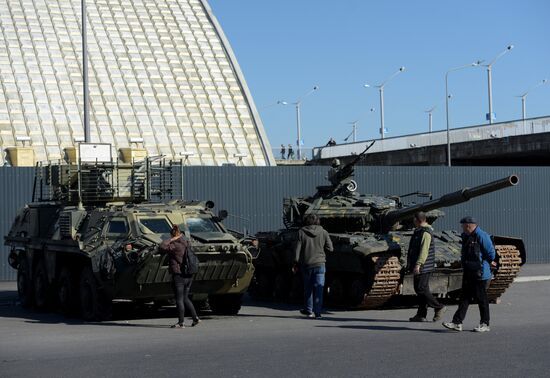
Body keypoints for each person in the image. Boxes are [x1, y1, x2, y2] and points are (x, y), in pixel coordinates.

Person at [443, 216, 496, 332]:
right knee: (464, 298)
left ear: (468, 225)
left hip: (480, 273)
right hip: (469, 271)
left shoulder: (481, 236)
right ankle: (457, 322)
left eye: (463, 226)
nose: (462, 228)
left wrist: (485, 263)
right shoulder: (467, 236)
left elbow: (491, 253)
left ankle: (485, 323)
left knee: (481, 299)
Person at [407, 212, 446, 322]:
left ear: (417, 220)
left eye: (414, 219)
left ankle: (439, 307)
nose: (413, 221)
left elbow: (424, 250)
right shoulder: (419, 231)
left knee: (421, 288)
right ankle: (421, 314)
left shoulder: (425, 232)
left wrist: (418, 264)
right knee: (420, 289)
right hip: (420, 265)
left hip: (423, 266)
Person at [293, 214, 333, 318]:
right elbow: (330, 248)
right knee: (319, 288)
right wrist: (321, 253)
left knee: (308, 288)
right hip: (320, 264)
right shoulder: (324, 232)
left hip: (307, 264)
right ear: (318, 221)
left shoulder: (301, 232)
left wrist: (295, 262)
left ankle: (308, 310)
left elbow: (297, 250)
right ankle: (318, 312)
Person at [160, 225, 201, 329]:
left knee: (179, 299)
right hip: (189, 274)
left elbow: (162, 246)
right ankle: (195, 318)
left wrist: (171, 239)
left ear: (173, 235)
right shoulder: (186, 242)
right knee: (185, 297)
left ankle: (181, 322)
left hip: (179, 275)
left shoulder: (175, 245)